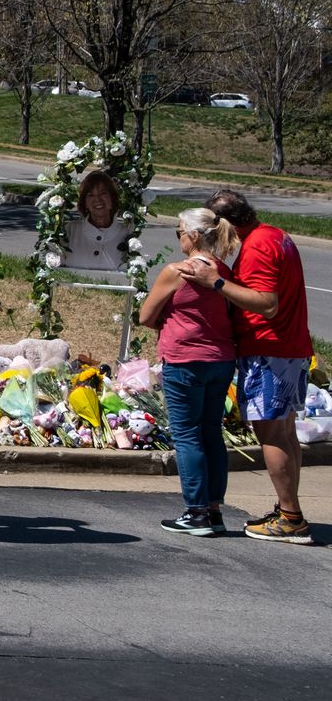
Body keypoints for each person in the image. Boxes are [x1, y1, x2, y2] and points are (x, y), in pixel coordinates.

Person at [181, 189, 313, 543]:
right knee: (284, 432)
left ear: (225, 223)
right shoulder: (275, 235)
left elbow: (266, 304)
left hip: (269, 348)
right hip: (289, 346)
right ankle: (289, 510)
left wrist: (218, 283)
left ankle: (291, 518)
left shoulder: (256, 248)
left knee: (270, 433)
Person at [138, 208, 241, 536]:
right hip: (220, 359)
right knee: (211, 431)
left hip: (185, 359)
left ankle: (195, 511)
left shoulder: (178, 271)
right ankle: (213, 510)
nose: (179, 237)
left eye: (179, 232)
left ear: (194, 236)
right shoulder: (222, 270)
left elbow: (146, 315)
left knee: (186, 434)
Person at [62, 171, 123, 270]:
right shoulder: (70, 230)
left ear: (112, 199)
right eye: (91, 195)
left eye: (103, 193)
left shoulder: (127, 235)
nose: (97, 199)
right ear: (85, 203)